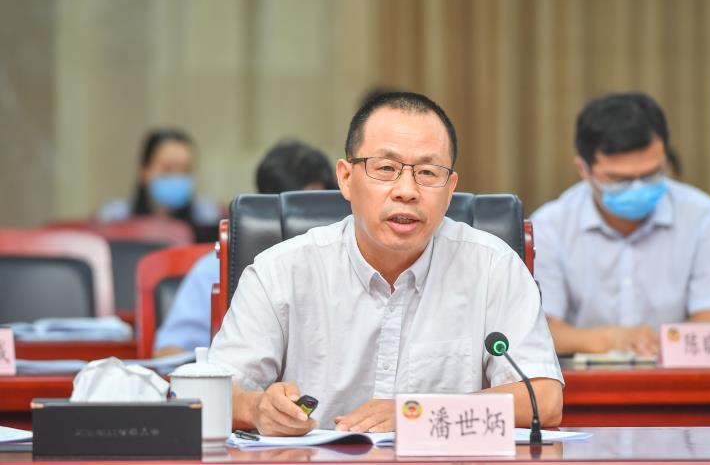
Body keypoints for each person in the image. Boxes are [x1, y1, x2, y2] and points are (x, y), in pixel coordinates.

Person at [209, 92, 564, 436]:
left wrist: (414, 414)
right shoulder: (280, 271)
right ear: (346, 178)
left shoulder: (493, 267)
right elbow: (211, 397)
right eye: (386, 168)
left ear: (450, 189)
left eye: (428, 173)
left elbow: (543, 400)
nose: (406, 190)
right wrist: (257, 408)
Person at [531, 92, 710, 356]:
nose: (638, 188)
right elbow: (541, 330)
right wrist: (610, 339)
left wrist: (655, 347)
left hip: (675, 373)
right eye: (620, 180)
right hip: (580, 377)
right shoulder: (549, 227)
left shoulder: (704, 217)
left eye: (652, 174)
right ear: (584, 169)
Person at [153, 140, 337, 357]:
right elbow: (167, 353)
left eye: (318, 213)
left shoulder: (346, 265)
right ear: (265, 210)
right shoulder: (215, 269)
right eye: (299, 215)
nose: (309, 228)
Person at [98, 128, 220, 235]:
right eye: (168, 169)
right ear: (143, 171)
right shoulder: (115, 217)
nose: (177, 177)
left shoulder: (206, 216)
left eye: (185, 169)